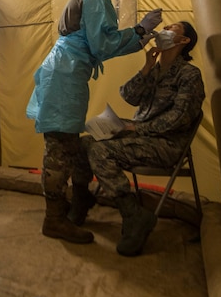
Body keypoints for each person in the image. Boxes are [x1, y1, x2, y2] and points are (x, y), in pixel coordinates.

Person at [26, 0, 162, 244]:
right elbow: (102, 45)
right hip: (66, 73)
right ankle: (54, 220)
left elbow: (101, 42)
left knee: (71, 144)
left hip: (67, 71)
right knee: (59, 149)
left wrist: (139, 36)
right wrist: (139, 31)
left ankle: (79, 202)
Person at [81, 21, 205, 256]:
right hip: (141, 136)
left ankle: (134, 216)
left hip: (167, 145)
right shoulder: (155, 70)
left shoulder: (189, 75)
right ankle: (81, 200)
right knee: (84, 143)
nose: (164, 28)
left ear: (184, 40)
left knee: (100, 151)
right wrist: (147, 67)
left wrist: (137, 129)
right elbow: (128, 96)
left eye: (172, 27)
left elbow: (180, 118)